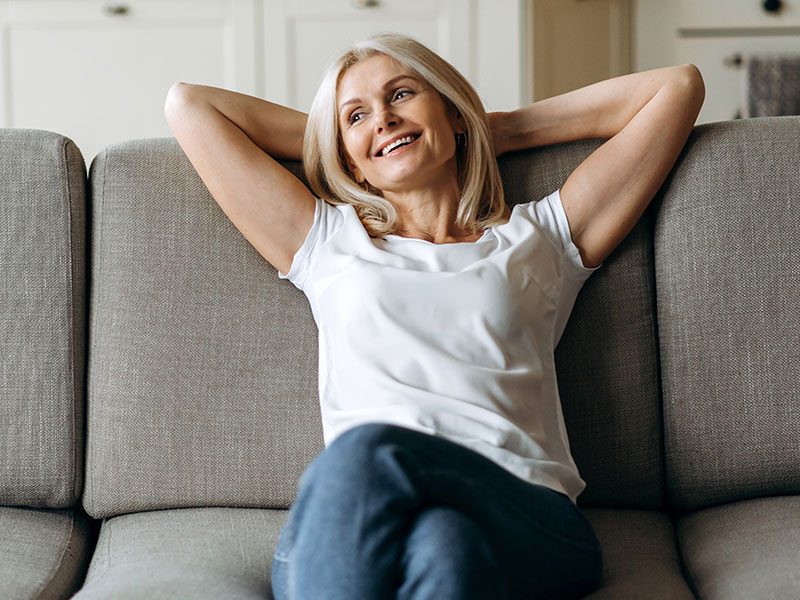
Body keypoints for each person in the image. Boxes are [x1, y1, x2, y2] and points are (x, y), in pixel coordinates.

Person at [165, 33, 704, 599]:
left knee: (368, 451)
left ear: (451, 108)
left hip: (525, 511)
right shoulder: (327, 244)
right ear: (344, 155)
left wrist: (495, 128)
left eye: (402, 95)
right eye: (357, 116)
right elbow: (191, 105)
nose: (384, 120)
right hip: (366, 516)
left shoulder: (539, 238)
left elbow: (676, 88)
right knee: (446, 546)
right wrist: (354, 136)